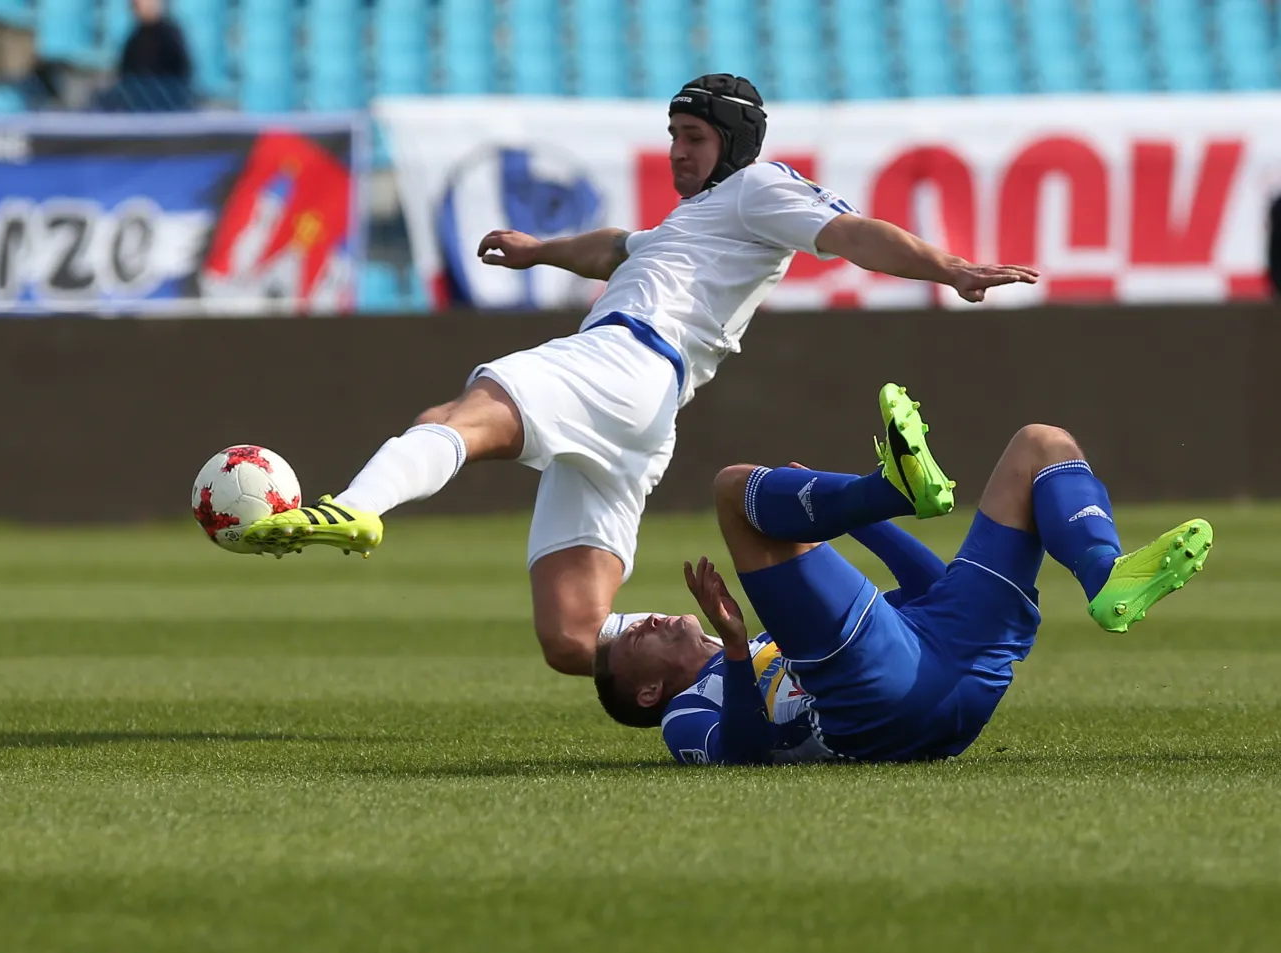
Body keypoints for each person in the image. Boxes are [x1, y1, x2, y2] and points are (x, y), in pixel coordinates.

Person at [239, 74, 1039, 676]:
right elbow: (615, 247)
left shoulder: (760, 188)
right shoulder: (692, 225)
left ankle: (355, 508)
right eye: (673, 134)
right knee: (574, 637)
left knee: (459, 412)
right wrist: (538, 250)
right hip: (643, 413)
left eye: (693, 135)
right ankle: (760, 665)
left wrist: (950, 268)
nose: (677, 150)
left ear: (733, 142)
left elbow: (852, 233)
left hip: (621, 361)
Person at [593, 384, 1214, 765]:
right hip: (876, 711)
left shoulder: (772, 643)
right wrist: (731, 646)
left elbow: (929, 587)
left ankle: (1105, 575)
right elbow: (747, 751)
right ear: (647, 691)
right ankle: (884, 488)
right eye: (635, 638)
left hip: (960, 668)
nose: (645, 618)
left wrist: (860, 522)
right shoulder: (681, 715)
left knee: (1041, 444)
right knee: (735, 491)